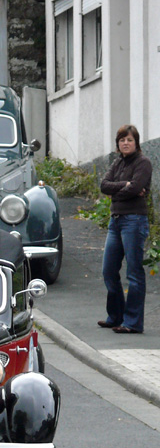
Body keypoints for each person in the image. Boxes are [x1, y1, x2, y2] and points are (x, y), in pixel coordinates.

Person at [99, 124, 153, 334]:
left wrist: (118, 190)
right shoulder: (117, 162)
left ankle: (132, 322)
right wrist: (125, 187)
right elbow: (104, 185)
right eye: (122, 140)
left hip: (134, 221)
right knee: (109, 270)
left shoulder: (144, 163)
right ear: (118, 144)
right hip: (116, 221)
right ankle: (116, 316)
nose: (125, 143)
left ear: (136, 142)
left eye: (129, 140)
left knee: (134, 272)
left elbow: (137, 187)